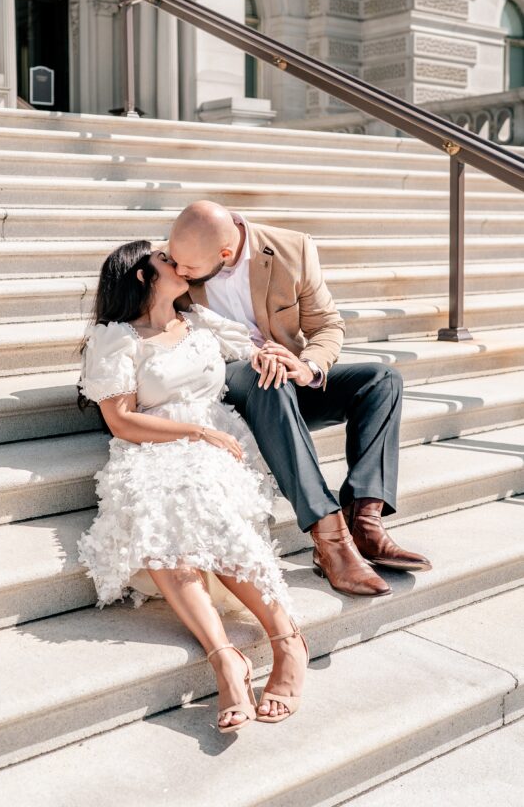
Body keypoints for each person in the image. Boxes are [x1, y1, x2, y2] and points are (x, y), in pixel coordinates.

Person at [77, 240, 309, 732]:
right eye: (165, 258)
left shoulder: (202, 321)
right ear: (142, 276)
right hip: (152, 445)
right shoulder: (117, 338)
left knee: (199, 499)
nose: (180, 261)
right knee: (157, 509)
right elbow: (121, 421)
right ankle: (226, 658)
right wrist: (193, 431)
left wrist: (269, 358)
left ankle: (286, 639)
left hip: (218, 442)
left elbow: (258, 347)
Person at [168, 202, 431, 598]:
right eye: (176, 263)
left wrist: (308, 366)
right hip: (228, 380)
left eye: (188, 269)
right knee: (266, 374)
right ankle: (329, 538)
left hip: (289, 377)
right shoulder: (180, 257)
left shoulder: (293, 249)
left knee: (382, 379)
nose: (179, 273)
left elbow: (327, 325)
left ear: (225, 254)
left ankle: (365, 521)